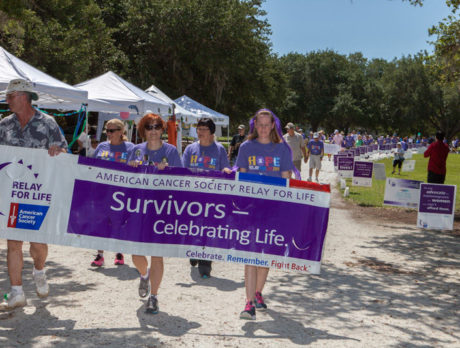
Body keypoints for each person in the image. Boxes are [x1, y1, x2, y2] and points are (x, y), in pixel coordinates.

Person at [0, 79, 68, 310]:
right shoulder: (4, 125)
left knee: (38, 243)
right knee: (13, 243)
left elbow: (64, 151)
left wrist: (57, 151)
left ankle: (39, 269)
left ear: (25, 97)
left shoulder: (47, 122)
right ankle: (17, 291)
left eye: (11, 96)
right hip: (12, 193)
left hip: (39, 193)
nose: (7, 100)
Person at [235, 109, 294, 320]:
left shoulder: (281, 149)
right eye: (259, 124)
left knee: (265, 254)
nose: (262, 128)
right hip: (250, 210)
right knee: (251, 254)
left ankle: (258, 292)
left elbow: (287, 178)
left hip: (273, 210)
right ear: (254, 125)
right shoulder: (246, 147)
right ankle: (249, 302)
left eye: (266, 124)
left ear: (272, 126)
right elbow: (240, 176)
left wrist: (287, 208)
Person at [127, 113, 182, 314]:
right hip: (138, 208)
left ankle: (154, 297)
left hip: (162, 210)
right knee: (136, 254)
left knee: (157, 255)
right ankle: (144, 275)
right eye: (149, 127)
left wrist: (168, 171)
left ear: (162, 129)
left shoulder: (172, 151)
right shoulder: (136, 150)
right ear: (143, 130)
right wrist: (131, 168)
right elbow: (123, 181)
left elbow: (182, 181)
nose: (153, 131)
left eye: (157, 126)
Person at [182, 117, 231, 278]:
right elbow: (183, 170)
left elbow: (225, 167)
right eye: (199, 129)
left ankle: (205, 263)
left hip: (212, 198)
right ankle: (194, 251)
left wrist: (225, 171)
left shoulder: (219, 150)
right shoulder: (190, 149)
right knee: (194, 226)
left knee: (209, 229)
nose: (201, 132)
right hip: (193, 196)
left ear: (211, 132)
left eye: (204, 129)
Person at [91, 118, 134, 267]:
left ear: (121, 131)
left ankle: (119, 252)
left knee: (118, 222)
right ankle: (100, 255)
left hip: (122, 193)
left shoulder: (130, 148)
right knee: (101, 222)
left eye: (111, 131)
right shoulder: (102, 146)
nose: (108, 134)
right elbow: (92, 166)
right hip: (102, 192)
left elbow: (137, 167)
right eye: (107, 131)